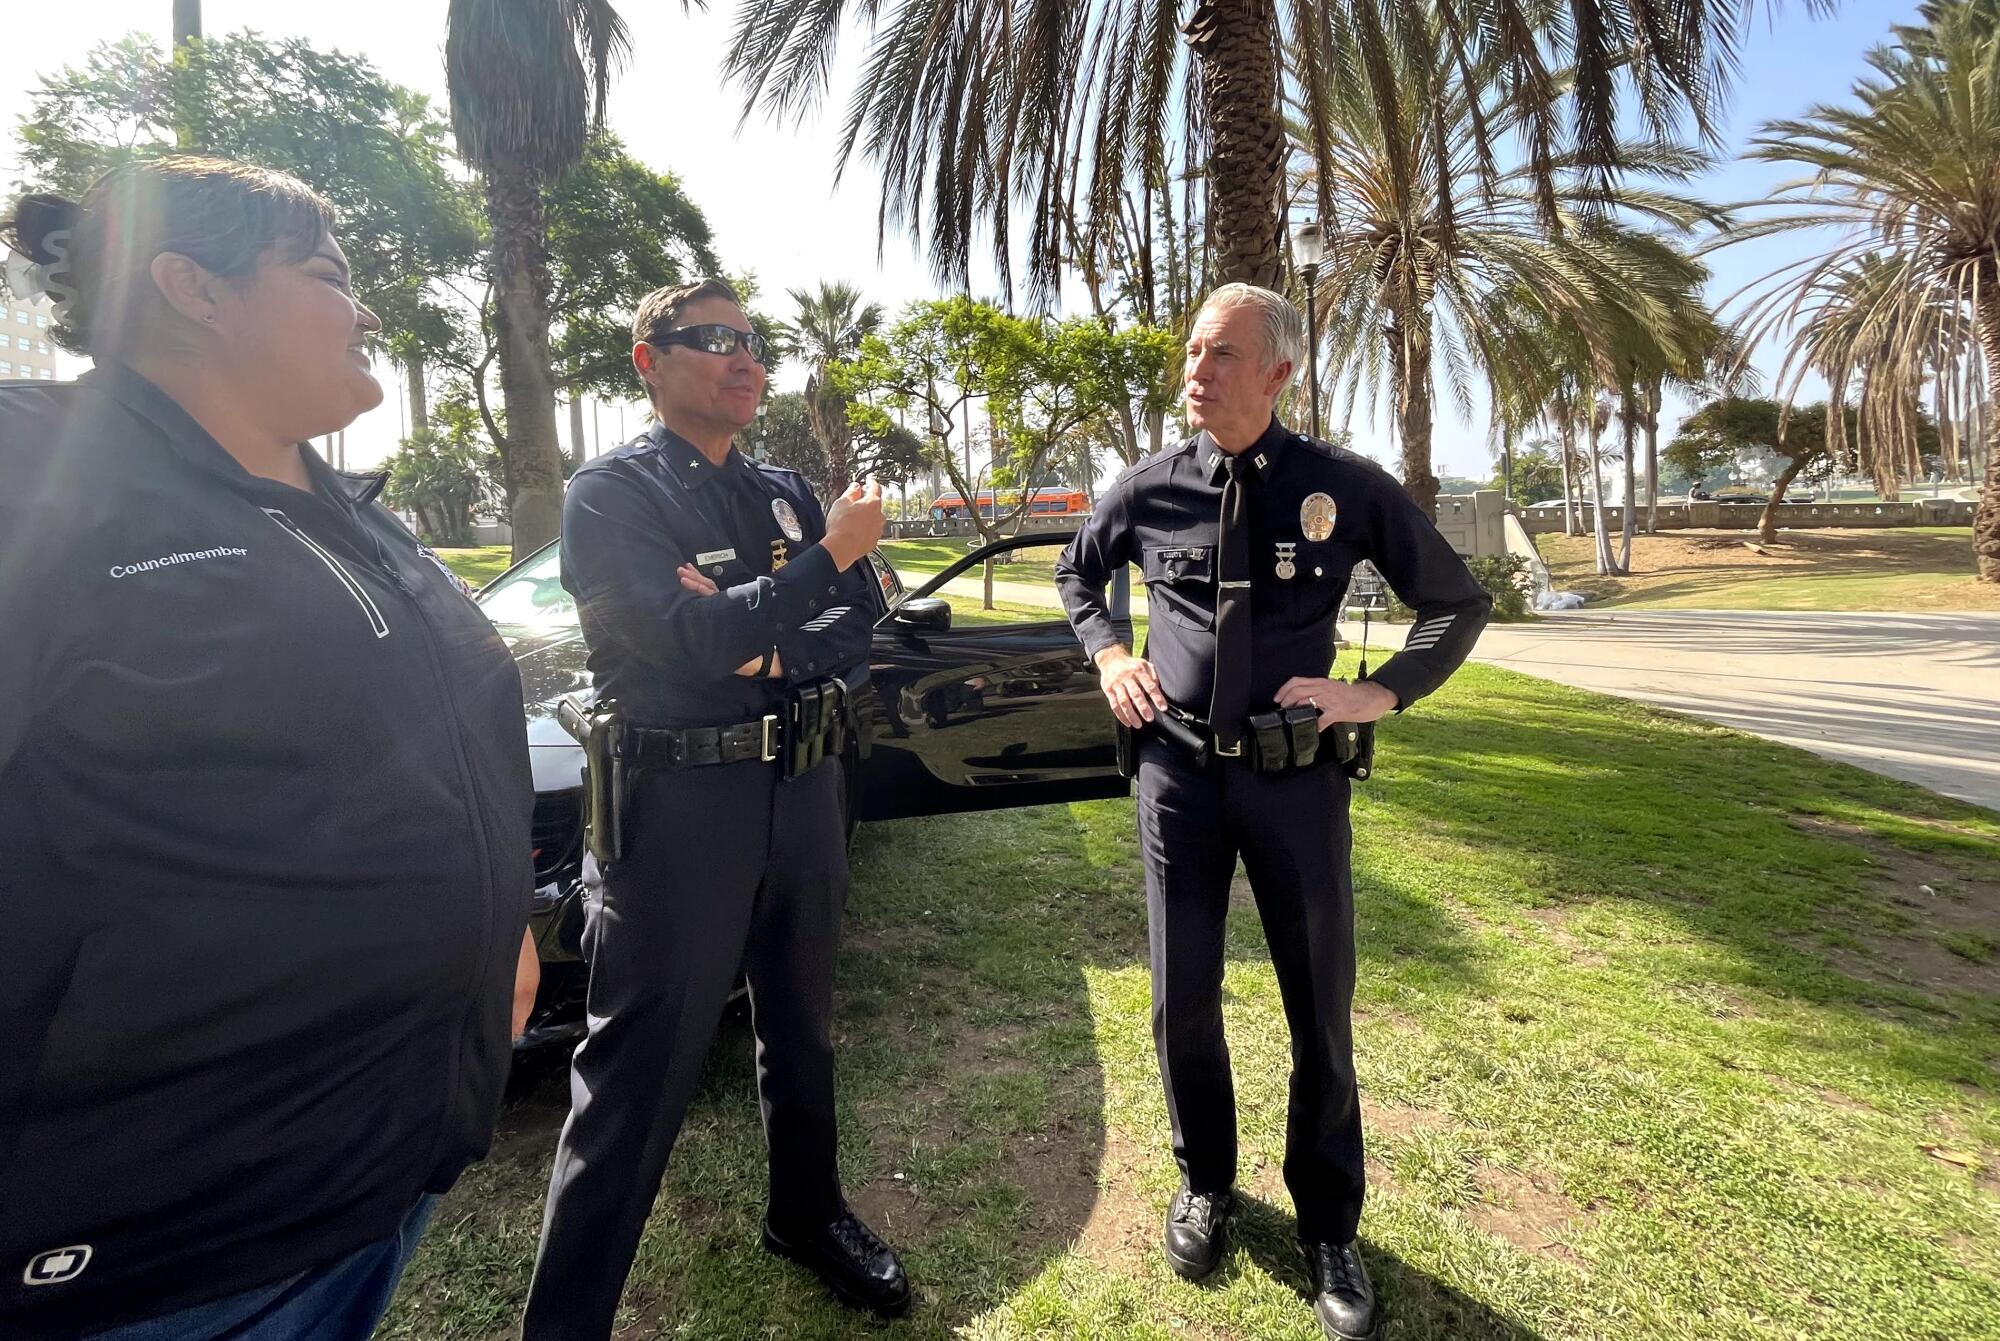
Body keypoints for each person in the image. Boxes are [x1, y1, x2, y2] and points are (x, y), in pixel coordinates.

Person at [0, 157, 539, 1341]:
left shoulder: (362, 519)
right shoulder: (33, 477)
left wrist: (501, 924)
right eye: (330, 275)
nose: (368, 312)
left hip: (382, 1169)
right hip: (174, 1244)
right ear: (192, 288)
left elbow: (435, 753)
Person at [1055, 283, 1492, 1341]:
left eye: (1218, 355)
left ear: (1278, 374)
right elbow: (1078, 577)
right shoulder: (1146, 486)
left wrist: (1376, 690)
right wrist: (1110, 652)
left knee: (1317, 1012)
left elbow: (1457, 603)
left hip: (1294, 785)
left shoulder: (1340, 486)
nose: (1193, 373)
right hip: (1175, 779)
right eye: (1190, 354)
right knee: (1180, 1000)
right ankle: (1204, 1183)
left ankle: (1328, 1225)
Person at [522, 279, 907, 1340]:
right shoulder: (613, 496)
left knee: (801, 1028)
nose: (744, 359)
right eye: (713, 340)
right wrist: (826, 558)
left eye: (751, 341)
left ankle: (806, 1215)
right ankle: (568, 1320)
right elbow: (680, 644)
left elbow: (856, 619)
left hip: (801, 788)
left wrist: (765, 633)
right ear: (648, 360)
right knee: (634, 1068)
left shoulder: (780, 487)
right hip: (677, 801)